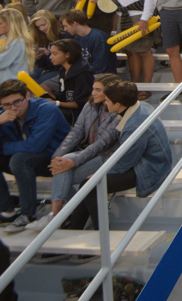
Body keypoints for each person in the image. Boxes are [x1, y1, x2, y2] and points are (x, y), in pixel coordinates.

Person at [67, 81, 173, 229]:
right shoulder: (141, 106)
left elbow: (125, 162)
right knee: (88, 185)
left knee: (90, 185)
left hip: (149, 169)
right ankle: (74, 228)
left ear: (118, 105)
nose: (105, 103)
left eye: (107, 101)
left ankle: (101, 235)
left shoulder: (133, 126)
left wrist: (100, 173)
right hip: (145, 161)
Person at [26, 74, 121, 232]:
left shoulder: (117, 111)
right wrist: (56, 157)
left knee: (65, 166)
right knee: (62, 163)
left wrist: (74, 161)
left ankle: (56, 215)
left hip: (107, 157)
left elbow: (102, 144)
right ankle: (61, 215)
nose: (93, 93)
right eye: (93, 89)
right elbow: (75, 133)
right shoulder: (90, 105)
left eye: (98, 90)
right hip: (87, 153)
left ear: (110, 92)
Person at [0, 80, 71, 232]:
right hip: (23, 159)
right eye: (6, 104)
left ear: (27, 95)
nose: (13, 108)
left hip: (54, 159)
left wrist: (2, 148)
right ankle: (7, 212)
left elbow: (35, 146)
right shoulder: (1, 116)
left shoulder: (46, 109)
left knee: (19, 159)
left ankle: (27, 214)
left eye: (17, 102)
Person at [114, 0, 158, 98]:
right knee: (131, 52)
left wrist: (144, 19)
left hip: (138, 16)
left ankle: (145, 86)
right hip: (126, 16)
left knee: (144, 51)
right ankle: (134, 85)